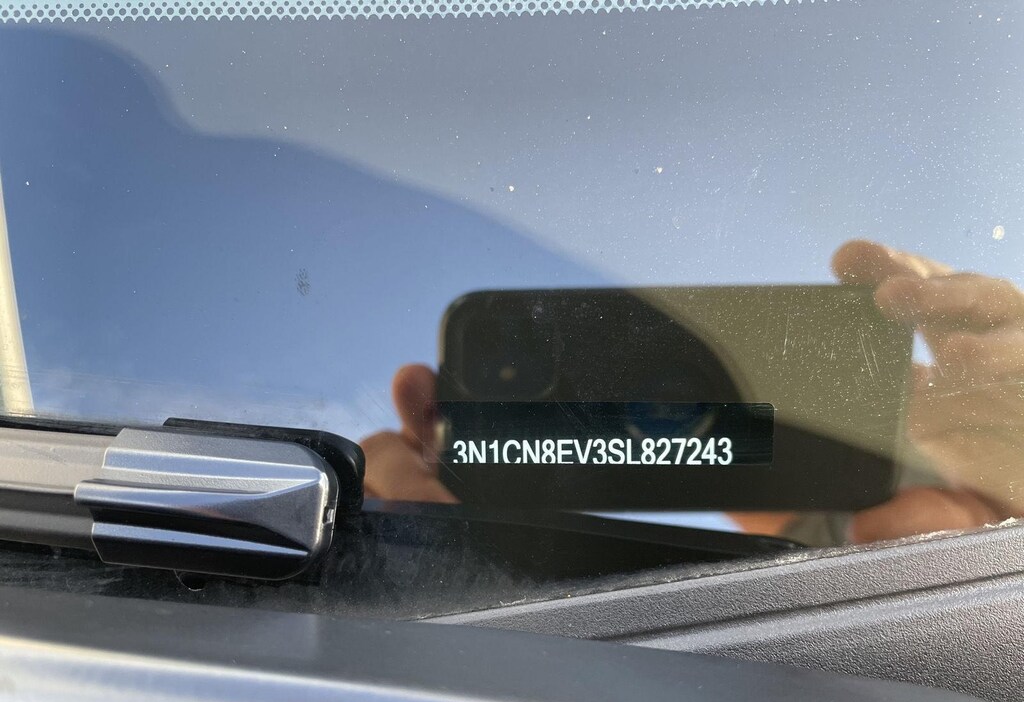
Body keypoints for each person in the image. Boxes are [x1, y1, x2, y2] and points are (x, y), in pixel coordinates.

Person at [360, 240, 1024, 545]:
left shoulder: (875, 519)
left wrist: (1005, 523)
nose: (674, 416)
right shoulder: (828, 538)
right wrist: (420, 551)